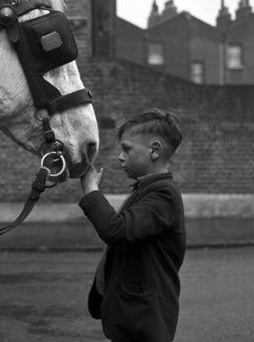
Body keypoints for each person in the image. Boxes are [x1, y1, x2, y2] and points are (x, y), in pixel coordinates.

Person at [79, 109, 186, 342]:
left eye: (127, 149)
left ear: (155, 151)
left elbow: (115, 230)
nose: (120, 156)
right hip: (131, 320)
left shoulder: (163, 194)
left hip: (145, 324)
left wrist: (91, 190)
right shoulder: (148, 189)